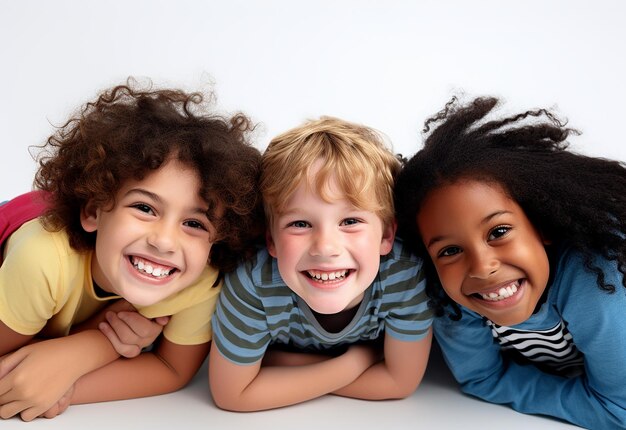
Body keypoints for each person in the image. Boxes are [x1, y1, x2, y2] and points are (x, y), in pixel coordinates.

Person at [0, 80, 264, 421]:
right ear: (94, 211)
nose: (165, 242)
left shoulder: (199, 278)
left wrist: (72, 376)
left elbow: (173, 369)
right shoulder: (42, 259)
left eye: (195, 224)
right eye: (145, 208)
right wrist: (103, 340)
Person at [394, 96, 626, 429]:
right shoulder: (448, 296)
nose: (482, 266)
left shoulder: (594, 280)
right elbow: (481, 378)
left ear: (541, 225)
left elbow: (620, 410)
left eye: (499, 231)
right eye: (449, 251)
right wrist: (588, 396)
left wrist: (596, 397)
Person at [209, 116, 433, 411]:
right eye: (300, 223)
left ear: (387, 235)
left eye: (350, 221)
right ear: (271, 241)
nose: (325, 247)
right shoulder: (254, 281)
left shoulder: (403, 273)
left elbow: (399, 383)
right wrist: (358, 360)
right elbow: (232, 395)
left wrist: (279, 362)